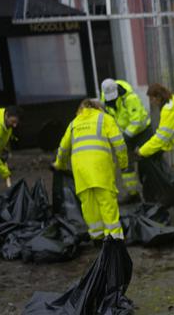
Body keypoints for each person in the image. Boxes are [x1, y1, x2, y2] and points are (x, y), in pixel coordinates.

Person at [52, 99, 128, 240]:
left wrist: (59, 165)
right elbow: (119, 144)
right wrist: (123, 163)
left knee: (89, 206)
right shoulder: (105, 119)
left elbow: (63, 148)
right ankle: (114, 238)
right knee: (107, 204)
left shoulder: (74, 123)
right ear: (98, 107)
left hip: (81, 172)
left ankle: (97, 237)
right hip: (101, 169)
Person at [100, 78, 150, 200]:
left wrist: (125, 136)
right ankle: (132, 194)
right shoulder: (105, 99)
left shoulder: (130, 98)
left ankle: (151, 192)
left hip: (142, 132)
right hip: (125, 135)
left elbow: (137, 121)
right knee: (125, 164)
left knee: (147, 162)